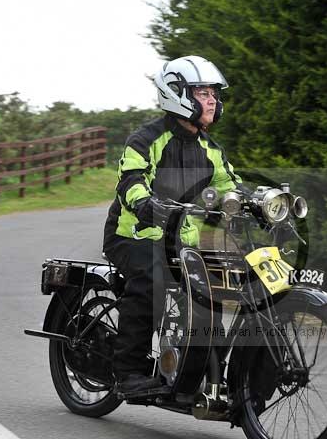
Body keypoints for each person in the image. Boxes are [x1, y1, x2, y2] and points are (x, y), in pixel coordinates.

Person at [102, 55, 242, 393]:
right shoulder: (146, 138)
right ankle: (128, 372)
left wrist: (249, 205)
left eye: (214, 94)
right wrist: (145, 204)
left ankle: (203, 377)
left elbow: (230, 187)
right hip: (133, 235)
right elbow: (131, 180)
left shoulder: (211, 149)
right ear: (177, 93)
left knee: (216, 293)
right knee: (153, 281)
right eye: (203, 93)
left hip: (183, 244)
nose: (213, 100)